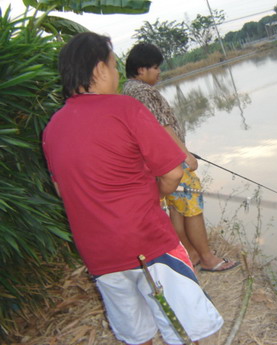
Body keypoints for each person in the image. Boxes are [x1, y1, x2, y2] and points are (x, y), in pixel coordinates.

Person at [42, 32, 223, 345]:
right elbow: (171, 173)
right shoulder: (125, 108)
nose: (115, 74)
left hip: (100, 255)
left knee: (137, 335)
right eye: (113, 66)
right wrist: (152, 195)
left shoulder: (52, 128)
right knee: (183, 331)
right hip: (148, 243)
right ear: (99, 69)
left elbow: (63, 192)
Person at [123, 43, 239, 273]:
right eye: (155, 67)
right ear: (140, 70)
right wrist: (184, 154)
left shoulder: (128, 91)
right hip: (170, 160)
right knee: (192, 205)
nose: (158, 72)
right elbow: (163, 126)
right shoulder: (144, 92)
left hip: (156, 161)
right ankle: (207, 258)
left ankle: (192, 254)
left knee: (176, 207)